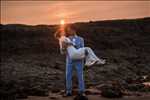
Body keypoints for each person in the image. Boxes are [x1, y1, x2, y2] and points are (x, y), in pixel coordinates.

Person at [54, 26, 106, 96]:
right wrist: (64, 49)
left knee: (80, 76)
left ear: (74, 30)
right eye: (68, 31)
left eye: (70, 30)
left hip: (79, 60)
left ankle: (82, 92)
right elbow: (62, 52)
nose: (69, 32)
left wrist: (83, 57)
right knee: (68, 76)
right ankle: (68, 92)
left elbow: (82, 49)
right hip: (70, 60)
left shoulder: (81, 39)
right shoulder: (66, 38)